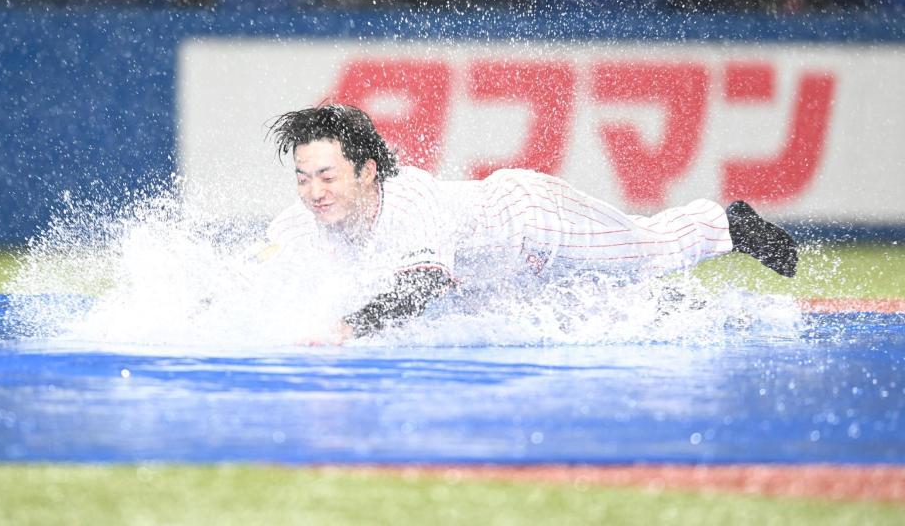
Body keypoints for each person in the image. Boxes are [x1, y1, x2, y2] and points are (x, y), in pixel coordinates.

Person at [264, 104, 797, 340]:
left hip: (534, 220)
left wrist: (346, 328)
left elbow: (421, 287)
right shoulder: (305, 217)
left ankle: (727, 226)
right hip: (491, 275)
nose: (314, 192)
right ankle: (690, 309)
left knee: (645, 253)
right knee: (579, 320)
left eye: (327, 176)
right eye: (303, 177)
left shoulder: (412, 201)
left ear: (367, 171)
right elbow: (256, 269)